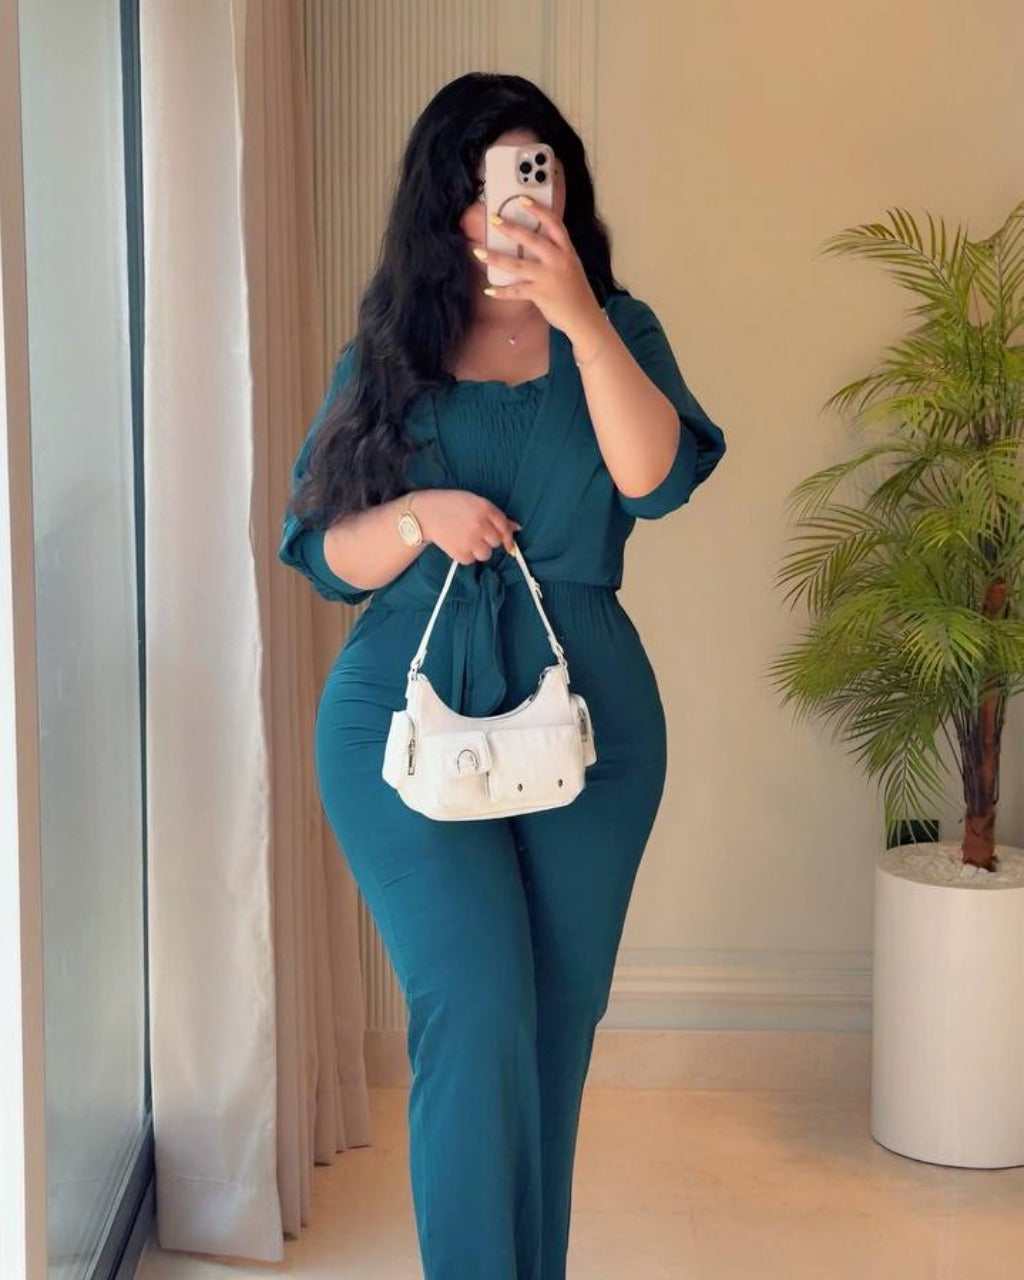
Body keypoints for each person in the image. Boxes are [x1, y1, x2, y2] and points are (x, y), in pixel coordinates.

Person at [279, 71, 726, 1280]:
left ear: (567, 190)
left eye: (540, 174)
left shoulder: (618, 331)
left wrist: (579, 315)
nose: (517, 203)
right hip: (403, 713)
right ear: (446, 201)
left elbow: (653, 482)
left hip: (592, 721)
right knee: (474, 1004)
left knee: (552, 1029)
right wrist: (418, 514)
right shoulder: (393, 347)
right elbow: (319, 550)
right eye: (489, 183)